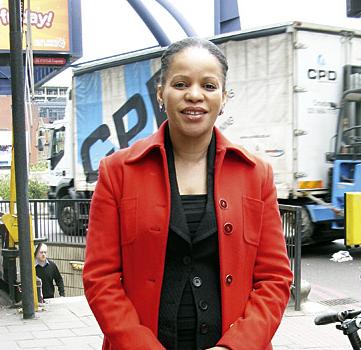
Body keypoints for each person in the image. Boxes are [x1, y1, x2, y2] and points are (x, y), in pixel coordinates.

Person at [83, 37, 293, 350]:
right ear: (160, 93)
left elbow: (274, 279)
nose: (194, 95)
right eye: (181, 84)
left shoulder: (255, 174)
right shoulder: (118, 171)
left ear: (224, 98)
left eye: (209, 86)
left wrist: (235, 346)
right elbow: (101, 278)